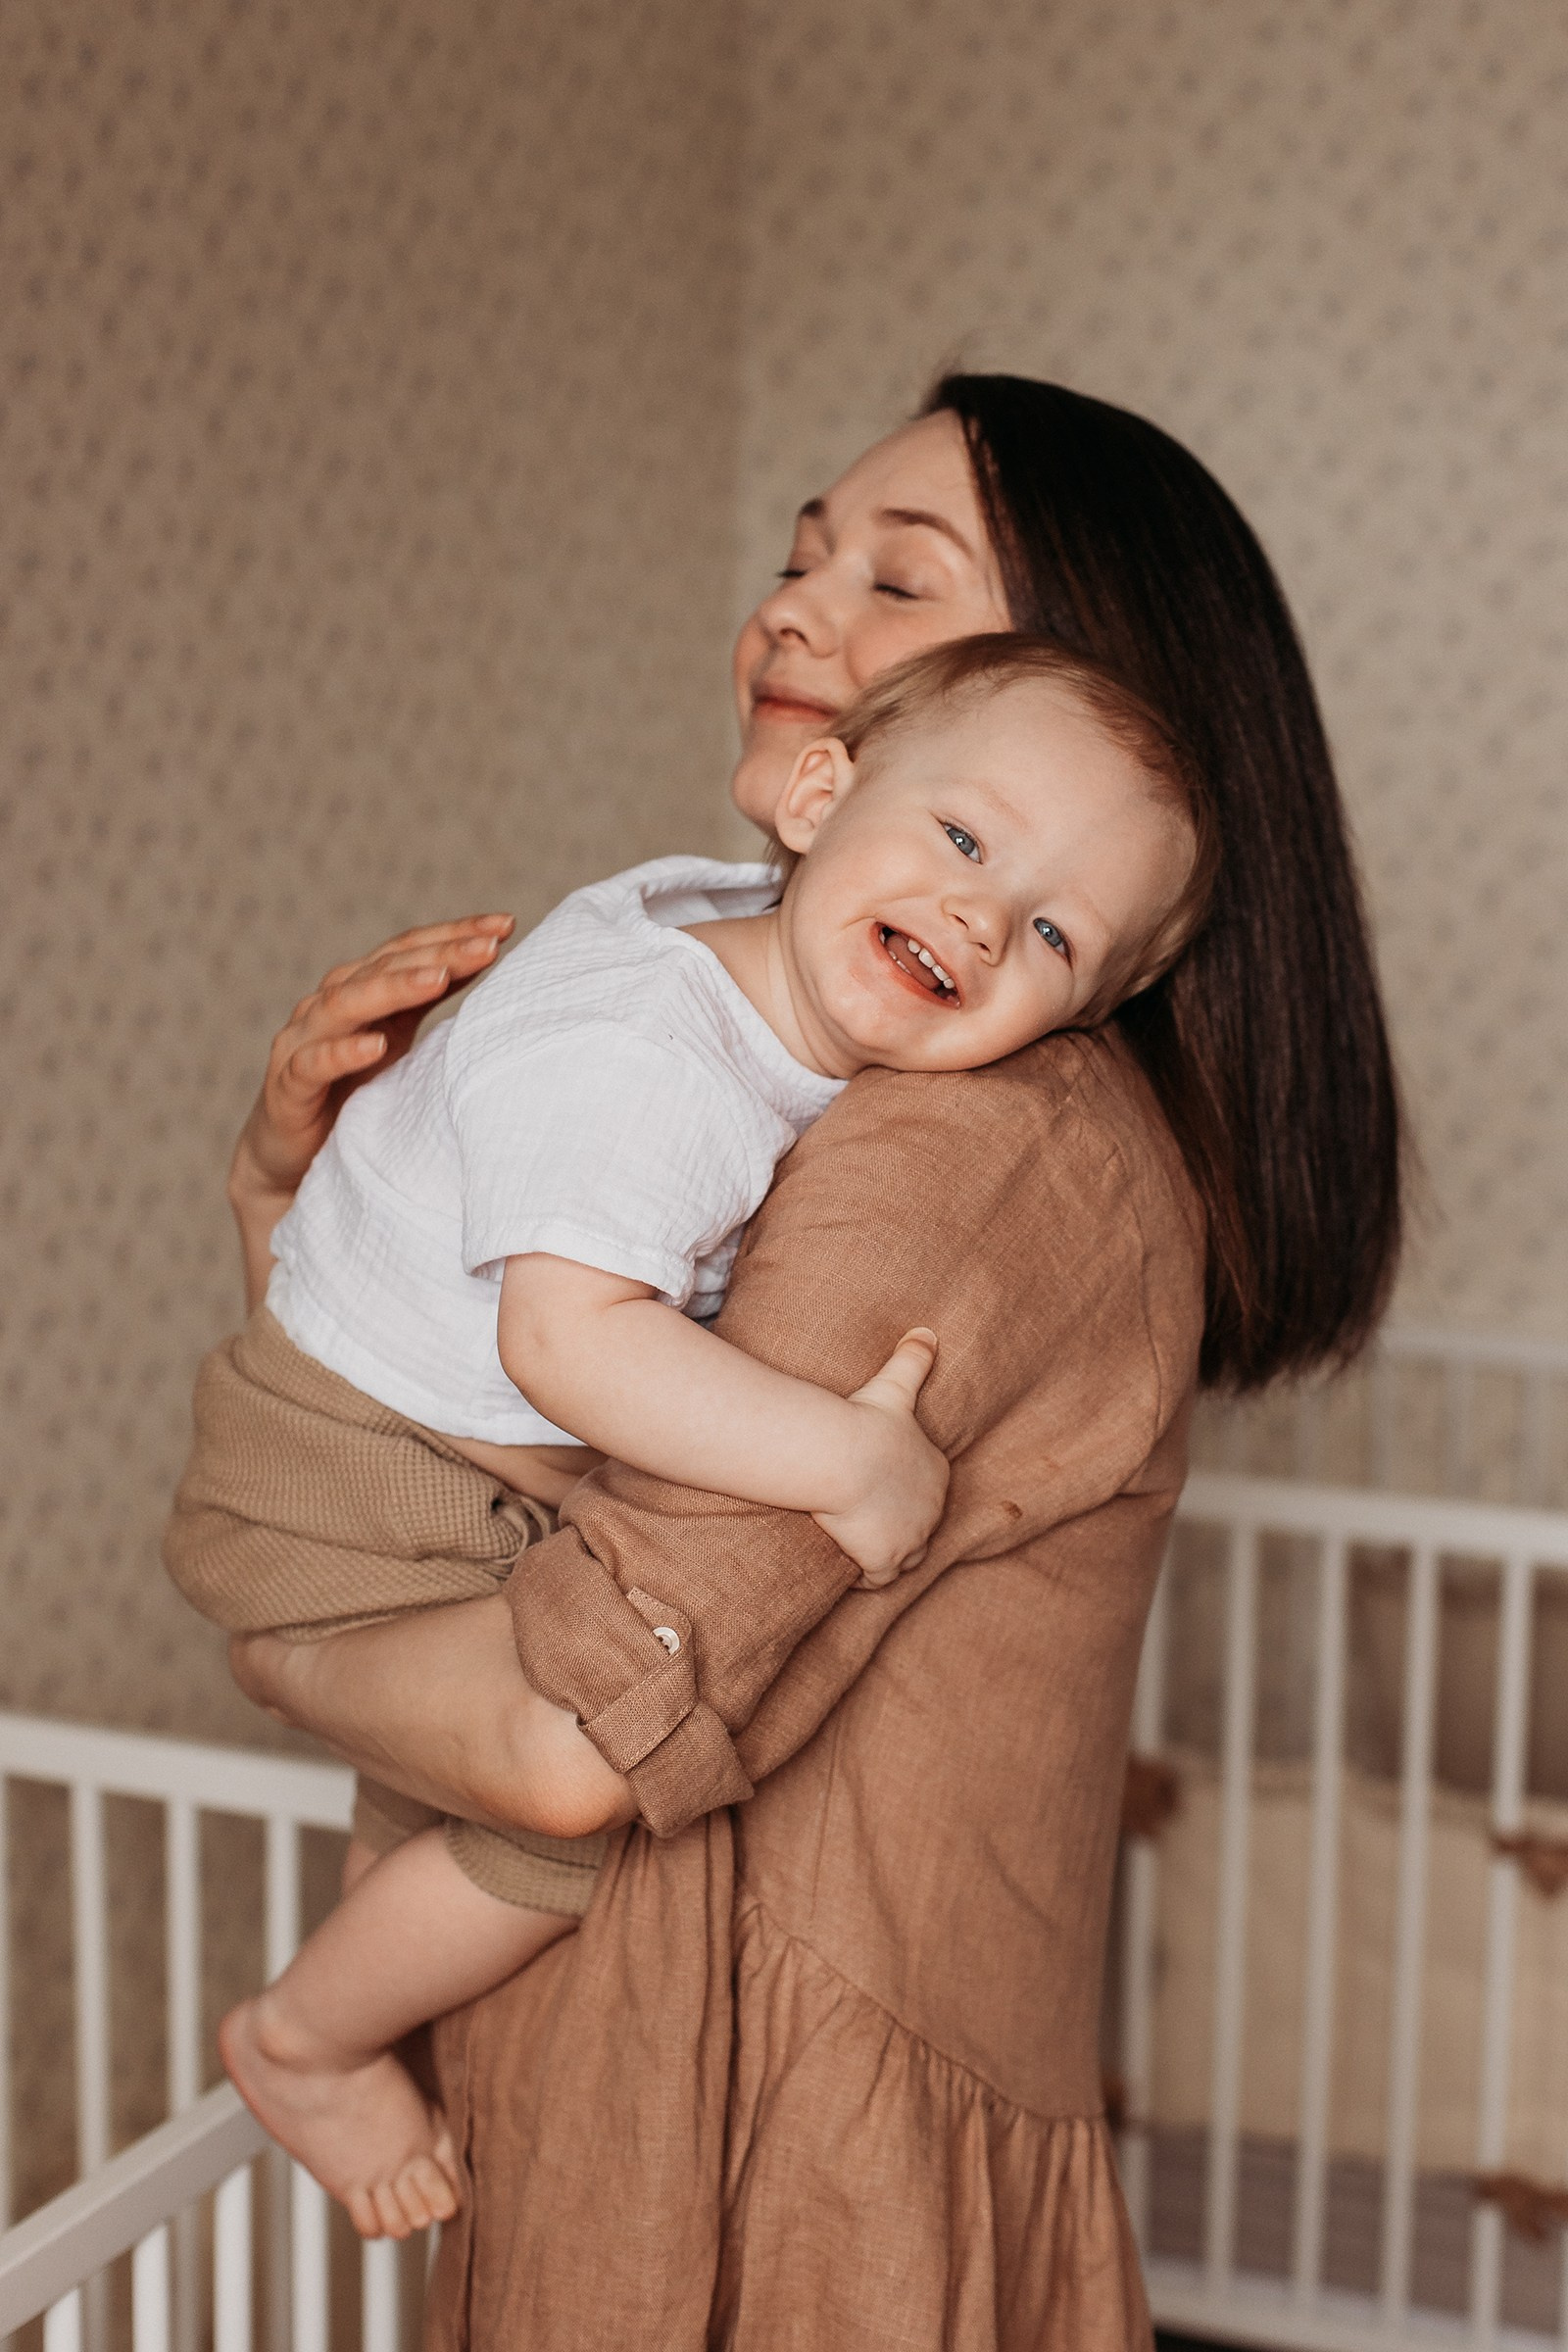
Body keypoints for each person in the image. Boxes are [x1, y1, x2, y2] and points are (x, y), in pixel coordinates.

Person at [223, 375, 1402, 2345]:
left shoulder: (965, 1146)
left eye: (897, 579)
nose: (791, 609)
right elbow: (449, 1395)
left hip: (738, 2147)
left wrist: (278, 1647)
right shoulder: (729, 1018)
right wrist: (291, 1193)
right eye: (800, 555)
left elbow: (572, 1729)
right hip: (687, 2085)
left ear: (1094, 685)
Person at [169, 633, 1209, 2236]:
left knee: (451, 1801)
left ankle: (356, 2017)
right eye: (962, 837)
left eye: (1055, 932)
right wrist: (847, 1457)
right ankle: (305, 2038)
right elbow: (567, 1342)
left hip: (379, 1438)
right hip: (360, 1473)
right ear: (817, 793)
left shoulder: (737, 951)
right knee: (561, 1840)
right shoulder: (651, 1055)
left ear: (1086, 1019)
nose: (981, 918)